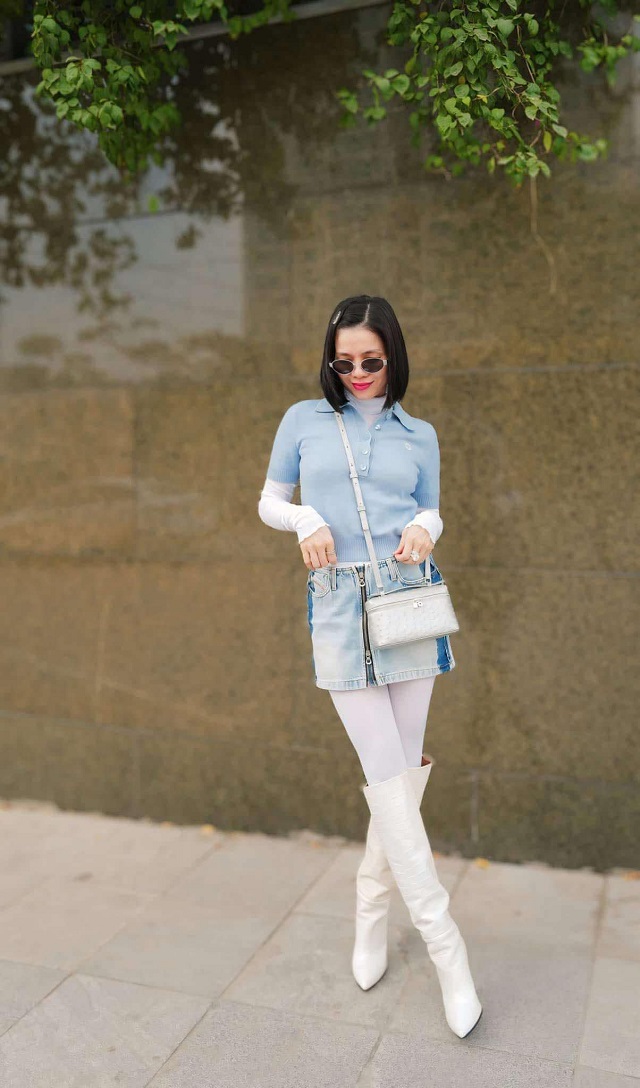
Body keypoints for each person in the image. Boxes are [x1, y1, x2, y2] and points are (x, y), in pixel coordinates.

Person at [258, 295, 482, 1039]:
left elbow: (433, 508)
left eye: (371, 361)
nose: (356, 373)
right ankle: (448, 952)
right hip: (337, 603)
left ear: (393, 356)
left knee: (399, 778)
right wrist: (306, 519)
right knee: (387, 775)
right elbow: (269, 501)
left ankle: (370, 912)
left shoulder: (419, 433)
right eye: (343, 360)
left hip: (408, 599)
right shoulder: (303, 421)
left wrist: (423, 525)